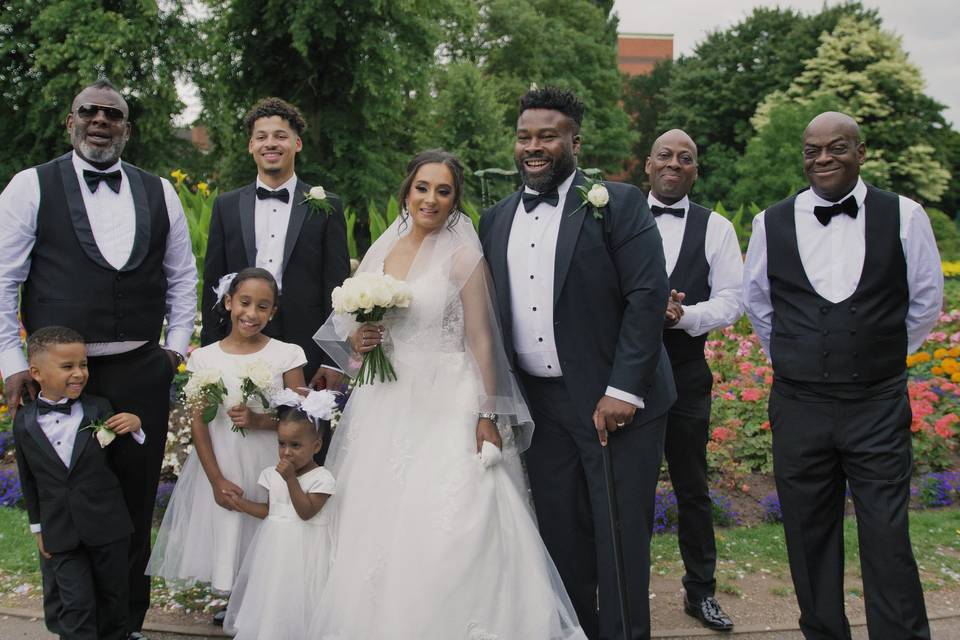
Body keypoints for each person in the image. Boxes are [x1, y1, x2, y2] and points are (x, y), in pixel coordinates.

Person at [310, 149, 587, 639]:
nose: (430, 199)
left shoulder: (463, 255)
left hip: (449, 397)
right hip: (387, 401)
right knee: (376, 521)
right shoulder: (382, 251)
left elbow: (482, 338)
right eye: (422, 188)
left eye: (443, 191)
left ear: (455, 200)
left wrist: (487, 414)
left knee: (453, 516)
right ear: (407, 191)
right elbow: (352, 331)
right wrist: (361, 340)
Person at [0, 79, 198, 640]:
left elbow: (182, 278)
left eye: (113, 114)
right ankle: (72, 626)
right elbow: (3, 277)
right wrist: (14, 362)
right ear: (71, 122)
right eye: (89, 111)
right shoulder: (29, 187)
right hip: (59, 379)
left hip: (139, 369)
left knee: (133, 505)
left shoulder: (159, 191)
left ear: (127, 128)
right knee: (65, 504)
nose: (100, 120)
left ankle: (125, 624)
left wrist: (173, 353)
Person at [480, 86, 676, 640]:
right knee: (560, 534)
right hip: (539, 408)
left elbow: (646, 295)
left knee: (618, 538)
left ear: (574, 141)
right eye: (524, 137)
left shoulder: (618, 203)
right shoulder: (494, 219)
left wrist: (623, 390)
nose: (534, 146)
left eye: (548, 135)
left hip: (613, 402)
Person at [743, 111, 942, 639]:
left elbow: (925, 301)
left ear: (861, 152)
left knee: (887, 535)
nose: (823, 158)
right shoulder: (771, 221)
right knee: (808, 538)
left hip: (877, 403)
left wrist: (879, 356)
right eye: (813, 150)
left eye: (836, 148)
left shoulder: (905, 215)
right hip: (799, 404)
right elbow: (760, 306)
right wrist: (799, 357)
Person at [148, 268, 308, 594]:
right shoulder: (205, 359)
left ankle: (263, 598)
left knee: (268, 524)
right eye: (244, 303)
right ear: (229, 301)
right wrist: (216, 480)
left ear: (273, 312)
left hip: (269, 460)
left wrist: (261, 421)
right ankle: (231, 598)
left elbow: (304, 422)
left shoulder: (287, 354)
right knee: (230, 523)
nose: (252, 313)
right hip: (222, 460)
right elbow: (199, 423)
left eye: (263, 307)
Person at [646, 129, 741, 631]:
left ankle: (700, 592)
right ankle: (623, 592)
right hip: (626, 376)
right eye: (665, 155)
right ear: (648, 164)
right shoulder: (614, 217)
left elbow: (732, 300)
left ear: (695, 171)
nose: (674, 164)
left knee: (692, 486)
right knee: (628, 489)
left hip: (685, 372)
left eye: (685, 159)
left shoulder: (717, 228)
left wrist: (681, 316)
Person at [201, 97, 350, 390]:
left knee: (303, 432)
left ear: (297, 144)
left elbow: (337, 288)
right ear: (251, 146)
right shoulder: (226, 206)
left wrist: (335, 359)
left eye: (280, 136)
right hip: (239, 337)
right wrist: (208, 351)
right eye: (262, 137)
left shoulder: (326, 206)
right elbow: (212, 283)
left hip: (307, 343)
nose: (271, 143)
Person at [13, 326, 144, 640]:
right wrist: (38, 528)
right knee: (75, 606)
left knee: (114, 602)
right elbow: (28, 479)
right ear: (37, 373)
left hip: (107, 526)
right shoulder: (25, 422)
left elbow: (125, 458)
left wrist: (136, 426)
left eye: (83, 365)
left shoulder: (99, 407)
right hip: (60, 530)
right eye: (67, 366)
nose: (79, 373)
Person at [223, 407, 336, 640]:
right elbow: (269, 510)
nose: (286, 452)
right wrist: (240, 503)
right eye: (281, 444)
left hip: (306, 552)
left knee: (300, 598)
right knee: (274, 595)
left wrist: (291, 479)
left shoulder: (322, 478)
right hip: (275, 550)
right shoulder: (271, 474)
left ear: (316, 446)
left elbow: (305, 512)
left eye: (295, 445)